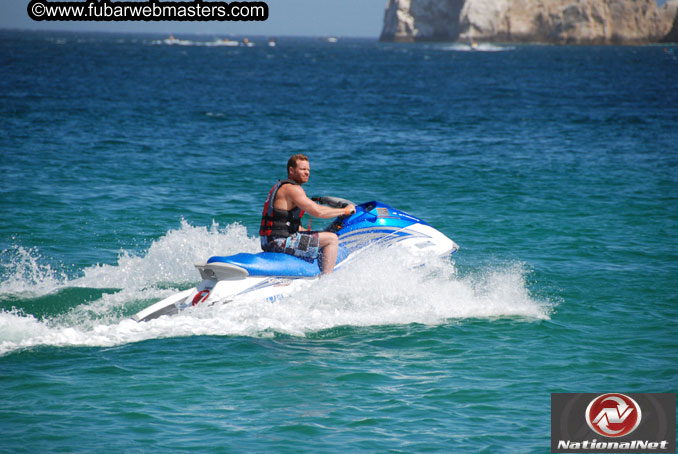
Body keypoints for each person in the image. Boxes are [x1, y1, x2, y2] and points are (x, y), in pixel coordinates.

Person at [259, 154, 355, 274]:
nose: (307, 173)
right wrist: (345, 211)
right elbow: (318, 211)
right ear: (291, 170)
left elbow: (287, 224)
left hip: (268, 241)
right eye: (303, 169)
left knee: (319, 235)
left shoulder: (282, 187)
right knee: (331, 239)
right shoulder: (292, 189)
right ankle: (327, 280)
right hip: (279, 243)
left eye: (308, 170)